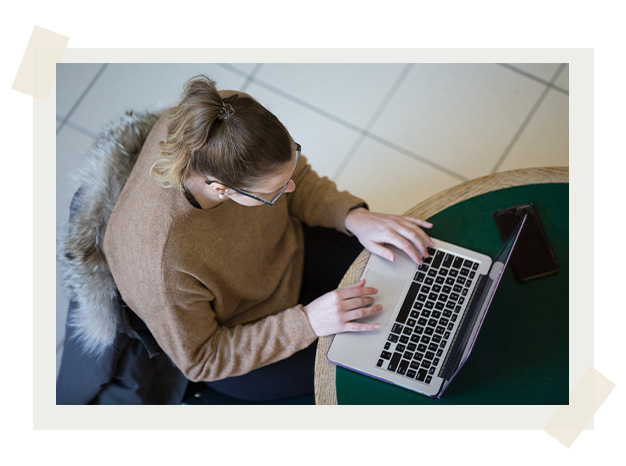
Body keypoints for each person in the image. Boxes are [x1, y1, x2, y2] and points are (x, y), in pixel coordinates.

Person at [61, 74, 435, 404]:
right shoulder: (159, 260)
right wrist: (307, 323)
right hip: (242, 339)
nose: (289, 189)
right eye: (273, 193)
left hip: (286, 254)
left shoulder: (226, 120)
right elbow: (203, 359)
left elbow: (296, 180)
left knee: (410, 273)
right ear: (220, 189)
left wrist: (354, 217)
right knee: (383, 364)